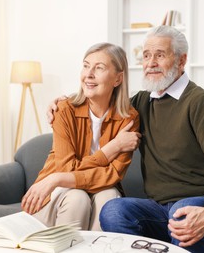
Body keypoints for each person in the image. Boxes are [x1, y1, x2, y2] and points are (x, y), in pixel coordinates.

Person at [47, 26, 204, 253]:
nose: (151, 62)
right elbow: (102, 100)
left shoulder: (199, 101)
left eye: (160, 55)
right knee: (113, 210)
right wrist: (64, 103)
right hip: (161, 211)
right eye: (146, 55)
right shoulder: (141, 103)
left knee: (182, 211)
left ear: (181, 61)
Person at [21, 42, 140, 231]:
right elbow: (66, 168)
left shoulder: (128, 118)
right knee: (78, 198)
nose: (89, 74)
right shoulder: (63, 110)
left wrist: (62, 177)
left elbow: (112, 175)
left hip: (94, 188)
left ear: (118, 79)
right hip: (57, 193)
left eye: (99, 68)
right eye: (86, 65)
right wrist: (113, 147)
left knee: (109, 197)